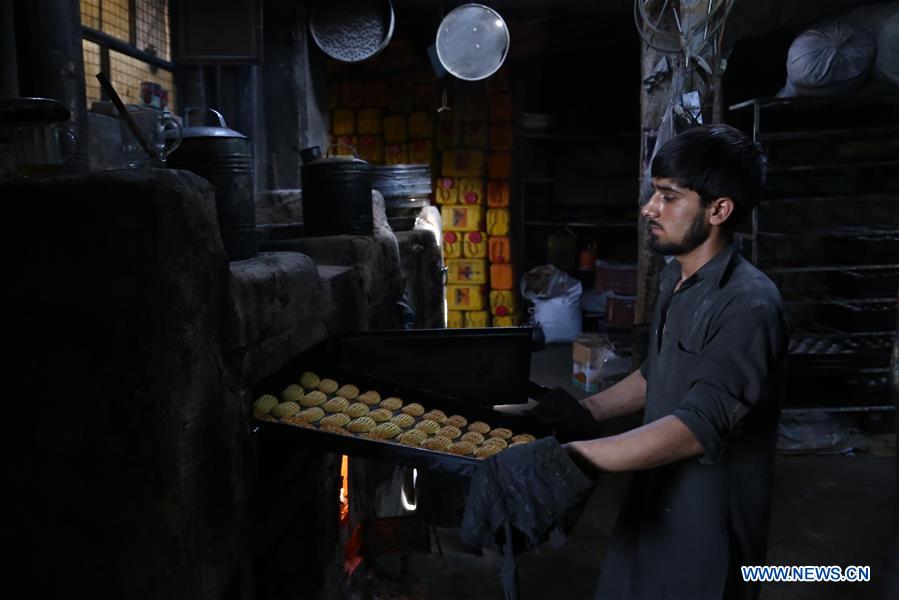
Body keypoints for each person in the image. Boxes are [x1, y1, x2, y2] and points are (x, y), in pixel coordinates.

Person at [564, 124, 789, 600]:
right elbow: (659, 372)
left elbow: (697, 426)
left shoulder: (749, 306)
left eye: (668, 196)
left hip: (709, 526)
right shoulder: (677, 278)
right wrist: (583, 413)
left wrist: (573, 458)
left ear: (718, 210)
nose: (649, 207)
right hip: (654, 498)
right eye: (654, 193)